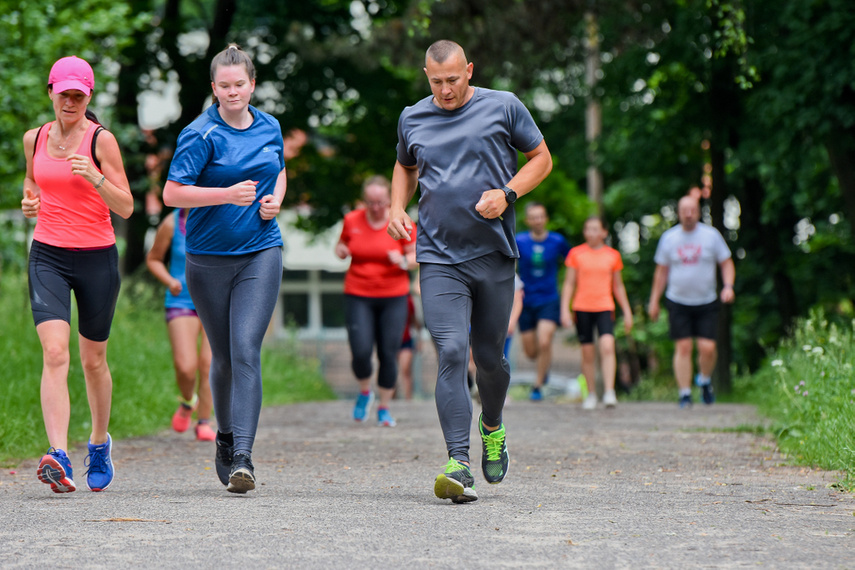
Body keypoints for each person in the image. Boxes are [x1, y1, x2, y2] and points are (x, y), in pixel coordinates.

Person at [387, 40, 553, 503]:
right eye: (436, 81)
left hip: (494, 255)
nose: (445, 90)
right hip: (439, 257)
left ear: (469, 71)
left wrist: (508, 193)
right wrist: (398, 206)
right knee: (452, 351)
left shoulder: (505, 107)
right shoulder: (412, 117)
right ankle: (458, 462)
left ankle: (493, 426)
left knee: (491, 362)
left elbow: (542, 159)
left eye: (453, 80)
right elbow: (405, 166)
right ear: (427, 76)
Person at [163, 44, 287, 493]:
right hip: (207, 259)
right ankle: (226, 433)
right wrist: (225, 194)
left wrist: (276, 200)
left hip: (261, 250)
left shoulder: (270, 125)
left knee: (245, 348)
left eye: (241, 84)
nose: (233, 92)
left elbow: (280, 169)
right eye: (225, 86)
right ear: (213, 87)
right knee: (222, 356)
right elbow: (172, 195)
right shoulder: (200, 134)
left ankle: (243, 457)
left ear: (252, 84)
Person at [22, 56, 133, 494]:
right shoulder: (34, 138)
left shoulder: (101, 141)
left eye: (78, 95)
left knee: (93, 361)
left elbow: (125, 206)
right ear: (50, 91)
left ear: (88, 98)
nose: (70, 101)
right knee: (54, 354)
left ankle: (100, 443)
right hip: (47, 254)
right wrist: (30, 203)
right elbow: (32, 183)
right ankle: (59, 455)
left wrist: (96, 180)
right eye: (63, 93)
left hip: (96, 257)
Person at [335, 175, 416, 426]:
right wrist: (341, 251)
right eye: (371, 202)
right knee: (360, 351)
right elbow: (341, 245)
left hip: (393, 295)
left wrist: (401, 260)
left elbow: (416, 257)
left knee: (388, 353)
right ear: (364, 201)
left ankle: (384, 407)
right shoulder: (352, 220)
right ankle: (364, 392)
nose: (377, 207)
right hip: (358, 293)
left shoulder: (401, 221)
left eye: (381, 202)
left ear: (389, 200)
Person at [647, 194, 735, 407]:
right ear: (678, 213)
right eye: (684, 210)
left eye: (692, 210)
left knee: (707, 348)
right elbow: (661, 272)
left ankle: (704, 380)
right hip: (677, 300)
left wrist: (728, 287)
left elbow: (726, 263)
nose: (688, 214)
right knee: (683, 347)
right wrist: (654, 301)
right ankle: (685, 393)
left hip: (706, 301)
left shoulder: (711, 236)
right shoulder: (669, 238)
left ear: (698, 211)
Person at [145, 208, 216, 441]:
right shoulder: (171, 223)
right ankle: (188, 401)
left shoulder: (219, 215)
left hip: (215, 299)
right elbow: (153, 259)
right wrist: (169, 280)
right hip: (181, 299)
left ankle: (204, 420)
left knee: (209, 364)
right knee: (186, 366)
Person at [560, 216, 633, 410]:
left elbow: (618, 286)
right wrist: (564, 309)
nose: (590, 233)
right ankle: (591, 394)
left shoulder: (613, 255)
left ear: (604, 232)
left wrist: (627, 311)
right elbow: (569, 283)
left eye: (595, 229)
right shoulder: (576, 254)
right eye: (587, 229)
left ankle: (609, 392)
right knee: (587, 352)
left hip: (605, 306)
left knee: (607, 346)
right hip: (582, 307)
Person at [515, 203, 571, 400]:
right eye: (533, 217)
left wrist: (569, 290)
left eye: (541, 216)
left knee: (545, 341)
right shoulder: (519, 241)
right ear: (527, 220)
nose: (537, 220)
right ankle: (543, 366)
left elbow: (572, 263)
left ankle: (537, 386)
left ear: (546, 218)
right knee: (531, 352)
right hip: (525, 301)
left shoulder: (557, 241)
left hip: (549, 299)